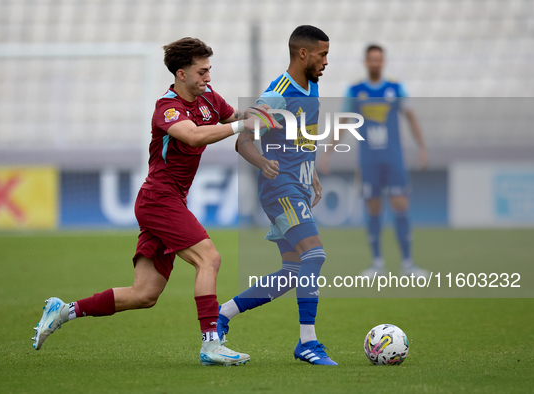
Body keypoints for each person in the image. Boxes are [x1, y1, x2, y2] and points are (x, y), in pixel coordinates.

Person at [31, 37, 280, 366]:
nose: (208, 77)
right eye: (202, 71)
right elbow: (193, 135)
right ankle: (211, 343)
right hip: (158, 198)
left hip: (170, 200)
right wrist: (239, 125)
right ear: (181, 74)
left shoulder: (209, 99)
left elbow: (235, 116)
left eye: (209, 70)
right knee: (209, 258)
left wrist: (265, 113)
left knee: (144, 294)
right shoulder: (168, 107)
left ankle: (64, 310)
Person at [217, 25, 337, 366]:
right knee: (314, 255)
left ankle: (222, 314)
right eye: (322, 54)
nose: (326, 61)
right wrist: (264, 163)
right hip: (279, 188)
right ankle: (308, 342)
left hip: (296, 184)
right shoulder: (276, 94)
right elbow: (243, 141)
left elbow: (300, 136)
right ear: (303, 54)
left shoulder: (312, 83)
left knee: (292, 269)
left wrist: (311, 173)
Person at [319, 44, 429, 278]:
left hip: (394, 159)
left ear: (384, 61)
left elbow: (411, 117)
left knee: (401, 205)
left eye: (379, 59)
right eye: (372, 60)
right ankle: (377, 263)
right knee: (373, 209)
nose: (375, 63)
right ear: (365, 62)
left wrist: (421, 147)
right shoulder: (355, 90)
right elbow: (343, 122)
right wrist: (328, 152)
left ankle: (408, 263)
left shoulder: (396, 88)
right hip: (368, 160)